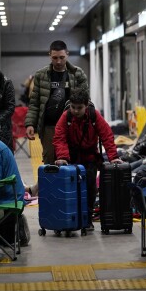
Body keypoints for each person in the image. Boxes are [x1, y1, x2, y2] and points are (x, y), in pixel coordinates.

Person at [53, 87, 121, 229]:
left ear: (86, 105)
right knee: (70, 187)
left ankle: (87, 219)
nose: (76, 111)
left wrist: (113, 157)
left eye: (79, 108)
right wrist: (63, 157)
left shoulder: (94, 116)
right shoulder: (66, 117)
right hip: (70, 157)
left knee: (90, 187)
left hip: (89, 157)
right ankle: (69, 216)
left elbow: (107, 135)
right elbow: (59, 138)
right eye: (73, 107)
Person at [25, 40, 89, 165]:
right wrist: (30, 124)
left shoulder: (78, 74)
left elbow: (86, 101)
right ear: (49, 55)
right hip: (49, 127)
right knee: (50, 161)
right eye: (55, 58)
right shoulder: (41, 75)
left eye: (61, 57)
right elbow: (34, 103)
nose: (58, 61)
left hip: (73, 126)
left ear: (67, 54)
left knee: (73, 160)